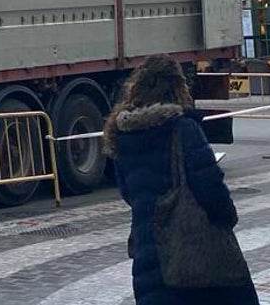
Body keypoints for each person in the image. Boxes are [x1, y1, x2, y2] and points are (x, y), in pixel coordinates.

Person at [104, 55, 257, 305]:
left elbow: (128, 193)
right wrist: (227, 217)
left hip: (149, 252)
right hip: (192, 252)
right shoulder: (182, 128)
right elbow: (210, 186)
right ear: (177, 88)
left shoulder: (121, 134)